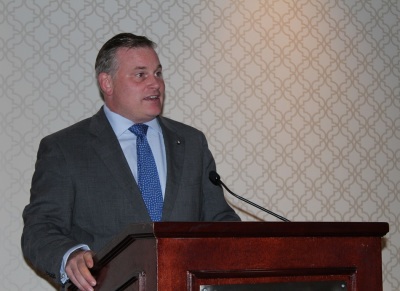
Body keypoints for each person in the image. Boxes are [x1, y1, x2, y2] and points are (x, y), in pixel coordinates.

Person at [21, 33, 240, 291]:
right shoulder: (66, 149)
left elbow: (220, 220)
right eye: (140, 75)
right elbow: (40, 227)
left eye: (158, 73)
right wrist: (70, 256)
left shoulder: (191, 143)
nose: (155, 84)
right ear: (107, 83)